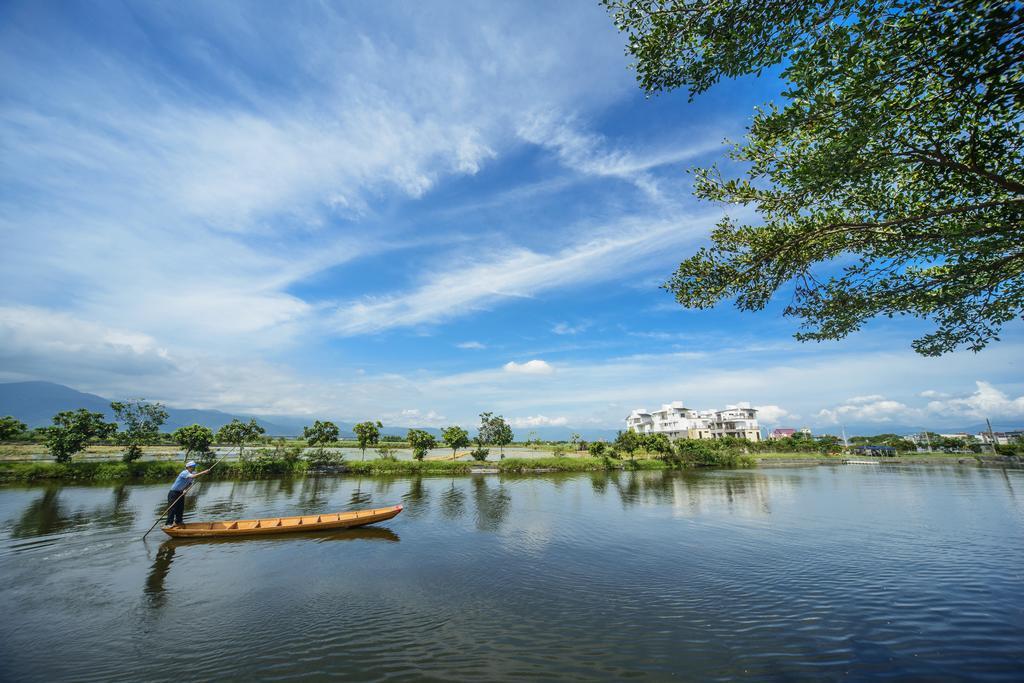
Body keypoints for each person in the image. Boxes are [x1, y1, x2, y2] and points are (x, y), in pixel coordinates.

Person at [165, 460, 211, 527]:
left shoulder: (193, 473)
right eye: (193, 467)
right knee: (172, 508)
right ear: (188, 467)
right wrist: (204, 472)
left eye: (194, 467)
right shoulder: (184, 473)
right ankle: (168, 524)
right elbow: (192, 477)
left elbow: (190, 483)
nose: (194, 468)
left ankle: (178, 522)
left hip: (181, 493)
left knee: (180, 508)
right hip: (173, 493)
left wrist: (185, 489)